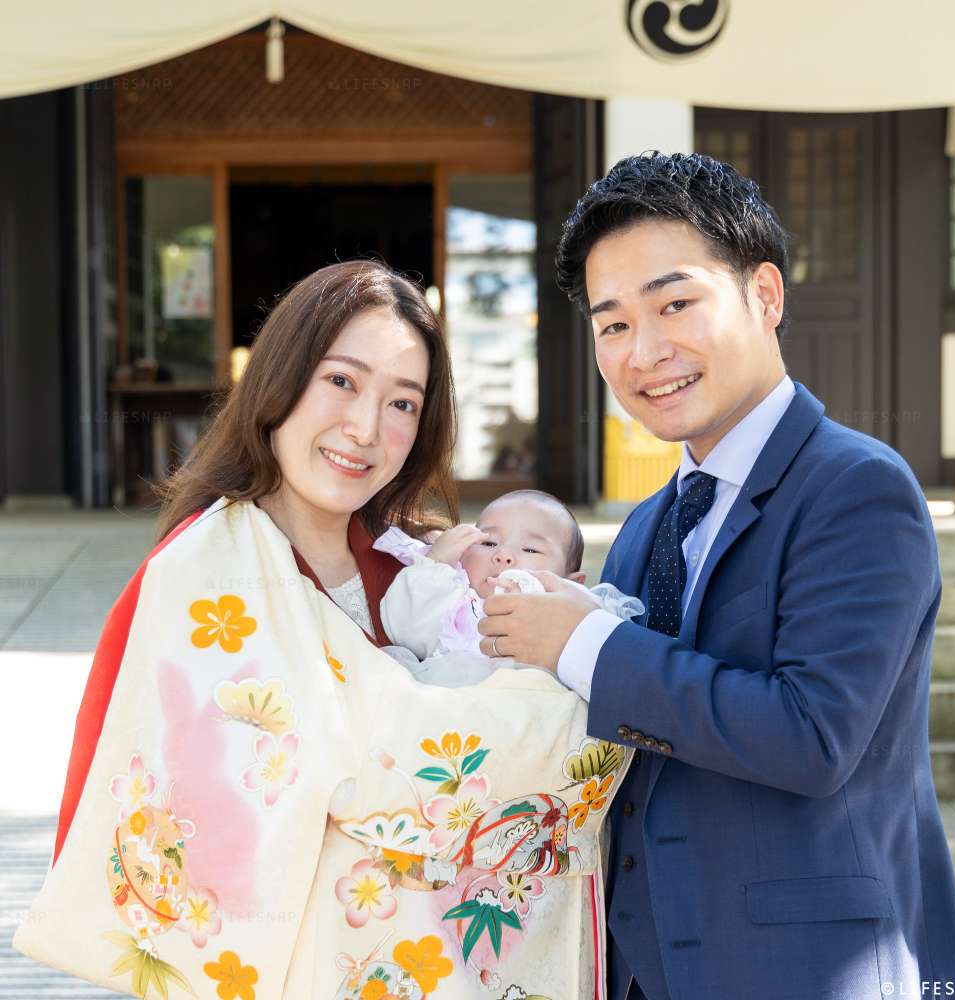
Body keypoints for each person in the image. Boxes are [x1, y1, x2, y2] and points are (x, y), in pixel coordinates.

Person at [17, 260, 630, 1000]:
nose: (366, 428)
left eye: (403, 403)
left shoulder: (415, 564)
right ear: (280, 379)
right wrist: (592, 693)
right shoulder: (211, 570)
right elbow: (382, 755)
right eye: (341, 381)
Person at [477, 152, 955, 999]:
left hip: (807, 970)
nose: (647, 351)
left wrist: (586, 644)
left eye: (676, 303)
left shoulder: (858, 488)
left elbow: (814, 735)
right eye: (613, 325)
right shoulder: (643, 528)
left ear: (766, 296)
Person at [373, 488, 644, 685]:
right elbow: (404, 629)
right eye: (488, 543)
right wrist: (435, 565)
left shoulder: (572, 618)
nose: (503, 555)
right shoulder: (451, 602)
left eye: (530, 549)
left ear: (570, 585)